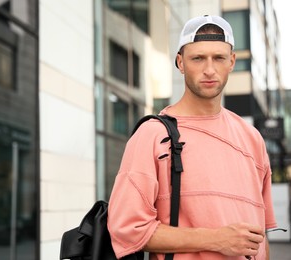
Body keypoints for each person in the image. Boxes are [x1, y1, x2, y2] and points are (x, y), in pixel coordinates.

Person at [107, 15, 277, 259]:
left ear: (231, 61)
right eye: (198, 58)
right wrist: (216, 240)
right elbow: (127, 229)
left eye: (218, 58)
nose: (209, 69)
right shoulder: (153, 135)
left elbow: (261, 237)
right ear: (181, 62)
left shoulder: (252, 138)